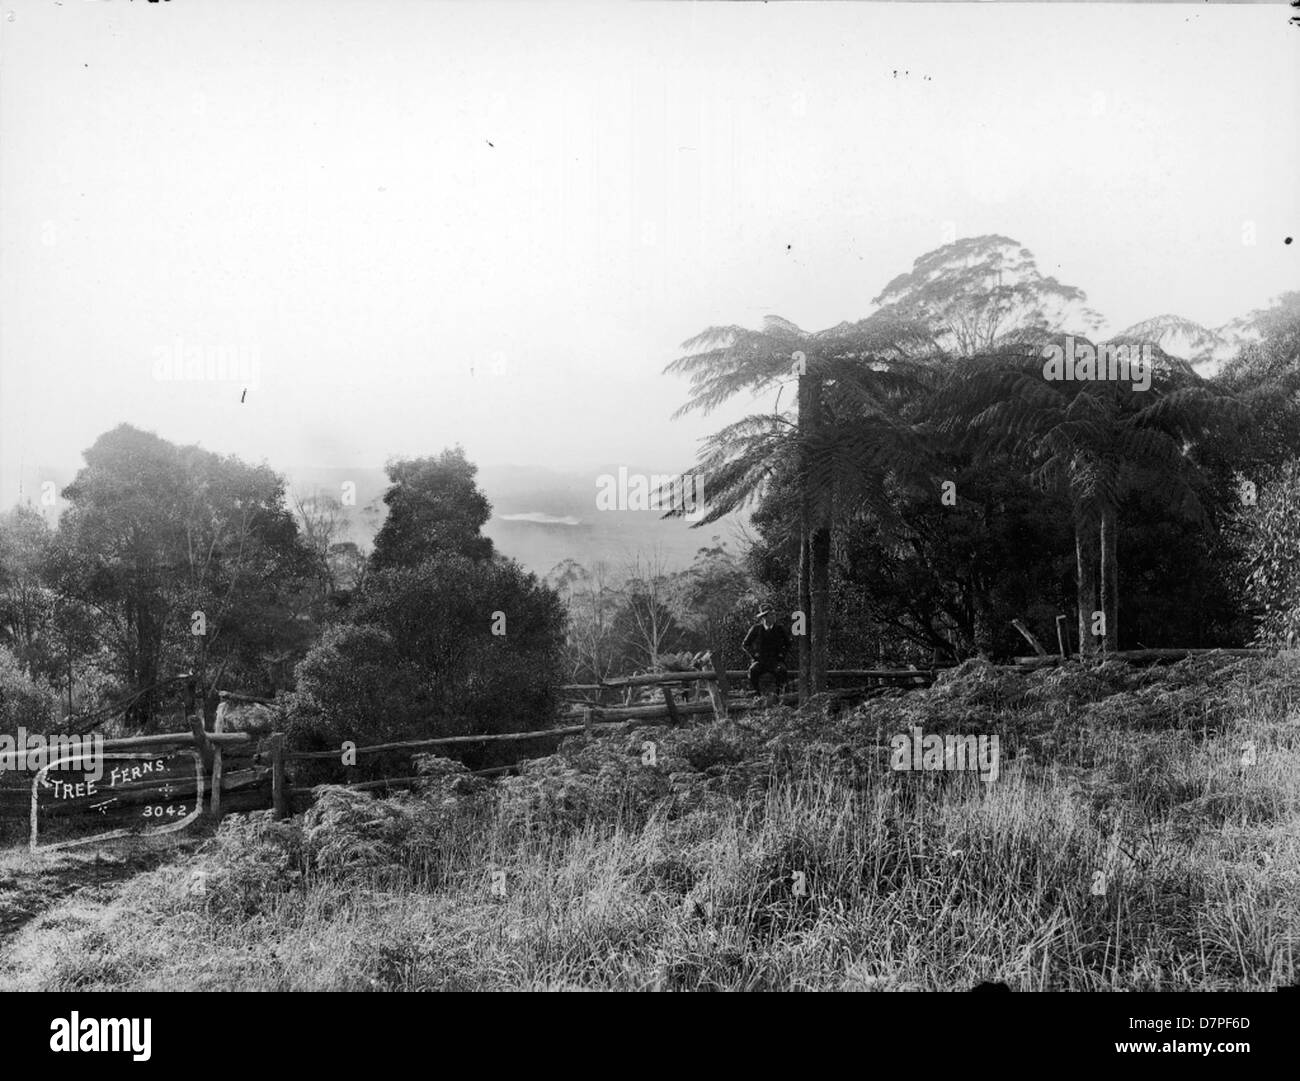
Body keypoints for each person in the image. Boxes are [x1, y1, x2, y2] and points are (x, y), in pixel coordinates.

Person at [742, 604, 791, 695]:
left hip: (775, 661)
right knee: (753, 671)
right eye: (771, 615)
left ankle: (779, 695)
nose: (774, 617)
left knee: (782, 671)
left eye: (774, 614)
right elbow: (745, 644)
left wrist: (782, 654)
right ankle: (758, 694)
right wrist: (754, 655)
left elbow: (788, 644)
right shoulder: (756, 629)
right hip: (760, 661)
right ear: (764, 618)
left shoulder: (779, 629)